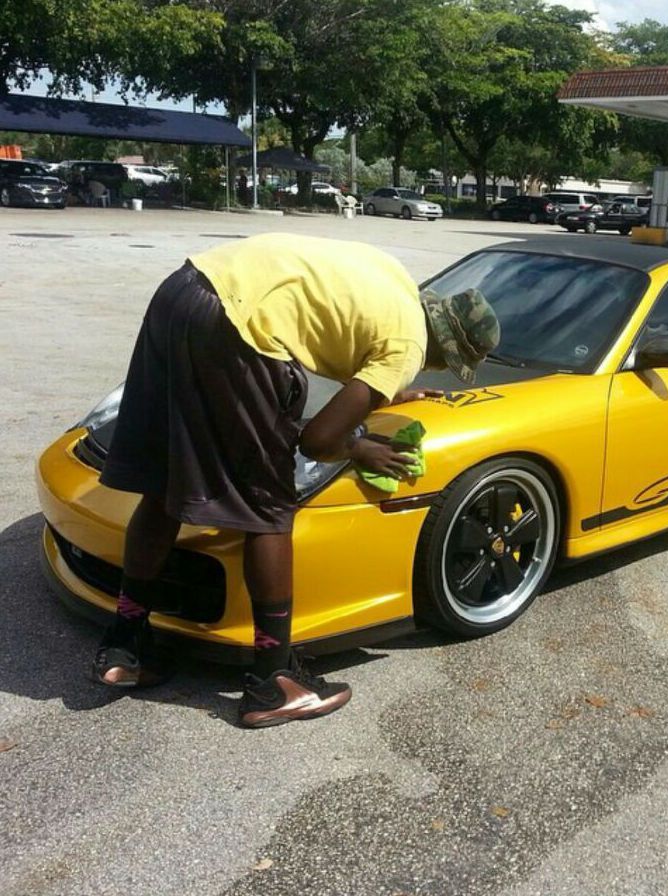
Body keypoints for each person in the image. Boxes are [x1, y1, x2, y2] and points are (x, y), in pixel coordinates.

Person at [90, 232, 501, 728]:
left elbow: (321, 326)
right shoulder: (408, 346)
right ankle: (272, 681)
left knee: (164, 484)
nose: (434, 368)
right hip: (235, 328)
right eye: (444, 362)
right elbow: (318, 441)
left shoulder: (393, 282)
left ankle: (125, 647)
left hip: (183, 291)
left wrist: (384, 395)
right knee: (267, 507)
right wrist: (362, 445)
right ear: (444, 346)